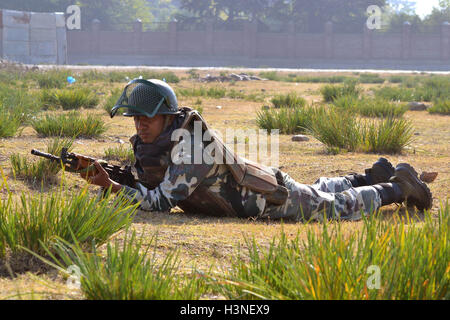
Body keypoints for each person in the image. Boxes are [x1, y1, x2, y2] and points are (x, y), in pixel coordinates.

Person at [83, 78, 433, 222]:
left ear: (167, 117)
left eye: (147, 118)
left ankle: (399, 187)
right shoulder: (155, 143)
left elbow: (160, 202)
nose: (140, 125)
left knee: (335, 208)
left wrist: (113, 188)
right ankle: (372, 175)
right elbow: (149, 181)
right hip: (260, 188)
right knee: (319, 190)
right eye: (135, 119)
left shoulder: (192, 149)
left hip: (267, 200)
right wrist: (116, 177)